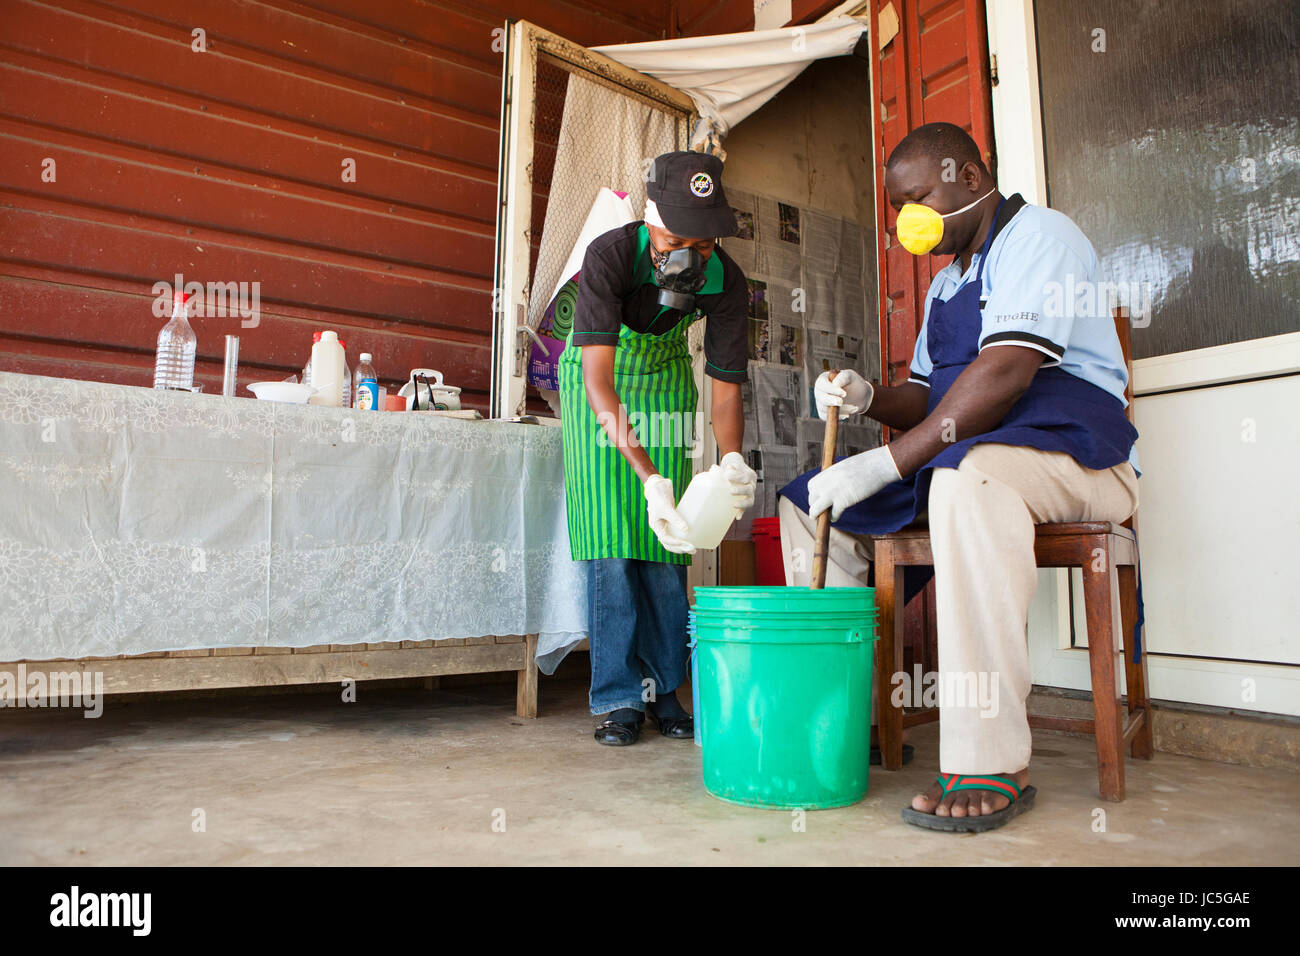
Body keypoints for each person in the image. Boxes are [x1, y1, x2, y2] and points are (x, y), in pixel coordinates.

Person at [779, 122, 1140, 831]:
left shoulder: (1042, 239)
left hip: (1078, 455)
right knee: (808, 502)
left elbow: (1003, 374)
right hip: (973, 446)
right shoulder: (948, 283)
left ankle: (989, 756)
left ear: (970, 178)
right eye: (899, 207)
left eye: (919, 197)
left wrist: (885, 461)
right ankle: (840, 717)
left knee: (966, 480)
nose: (908, 219)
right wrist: (867, 398)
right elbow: (928, 396)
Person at [559, 150, 758, 746]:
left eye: (703, 244)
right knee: (613, 543)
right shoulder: (611, 255)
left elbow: (724, 388)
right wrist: (647, 476)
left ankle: (665, 689)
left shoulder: (726, 281)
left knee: (671, 540)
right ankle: (618, 697)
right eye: (675, 237)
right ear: (649, 220)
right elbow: (599, 383)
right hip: (600, 387)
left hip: (665, 378)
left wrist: (729, 461)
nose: (688, 255)